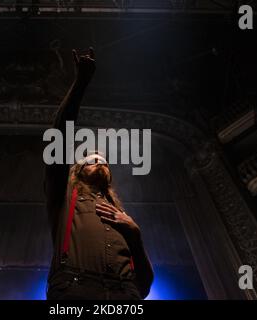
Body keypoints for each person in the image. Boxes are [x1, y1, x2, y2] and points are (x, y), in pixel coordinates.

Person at [44, 47, 154, 300]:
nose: (99, 160)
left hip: (125, 294)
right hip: (76, 290)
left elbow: (145, 285)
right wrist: (80, 82)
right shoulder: (64, 195)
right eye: (91, 159)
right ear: (77, 171)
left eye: (103, 161)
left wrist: (135, 235)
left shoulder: (120, 214)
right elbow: (58, 139)